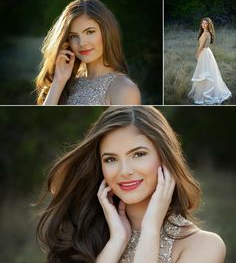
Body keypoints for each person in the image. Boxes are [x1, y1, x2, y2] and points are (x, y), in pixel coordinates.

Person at [36, 105, 226, 262]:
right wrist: (117, 240)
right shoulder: (83, 238)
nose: (124, 171)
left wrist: (151, 229)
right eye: (110, 159)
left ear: (164, 157)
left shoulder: (203, 246)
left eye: (139, 154)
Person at [36, 0, 141, 105]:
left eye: (90, 32)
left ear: (107, 32)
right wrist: (59, 81)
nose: (82, 43)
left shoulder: (124, 89)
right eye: (73, 36)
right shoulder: (68, 83)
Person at [188, 18, 232, 105]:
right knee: (208, 72)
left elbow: (201, 46)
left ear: (209, 25)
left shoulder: (205, 34)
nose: (203, 24)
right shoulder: (207, 33)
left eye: (206, 23)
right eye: (203, 23)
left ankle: (206, 94)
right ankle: (207, 90)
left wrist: (197, 54)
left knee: (205, 73)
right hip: (207, 52)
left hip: (204, 53)